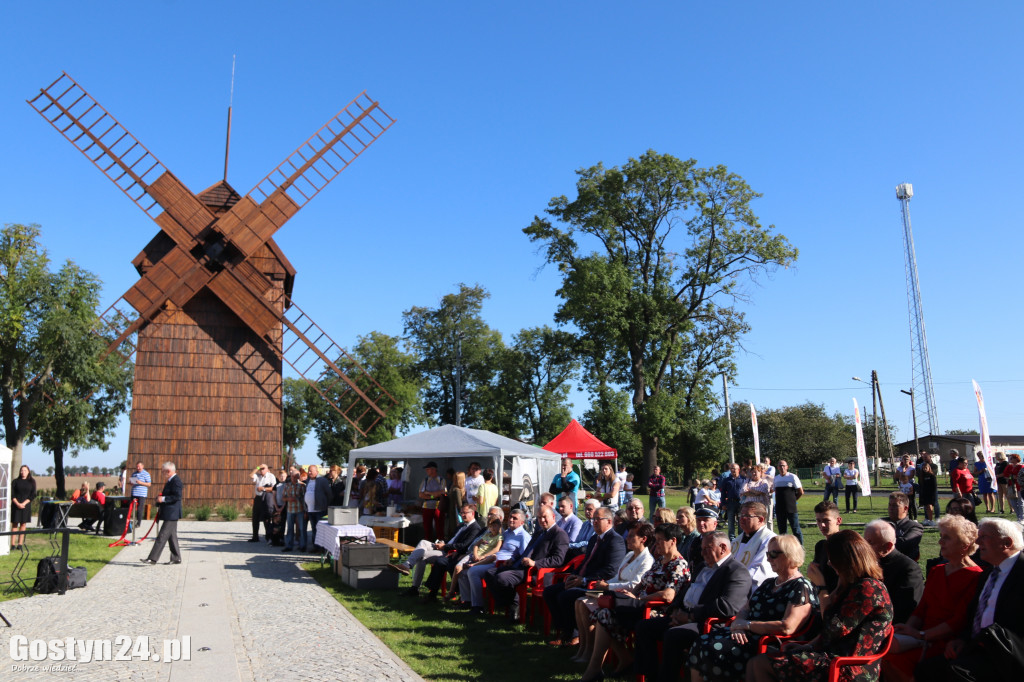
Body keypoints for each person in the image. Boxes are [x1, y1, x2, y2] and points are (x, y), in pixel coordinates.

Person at [748, 530, 893, 682]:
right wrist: (808, 646)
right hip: (831, 657)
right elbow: (828, 630)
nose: (829, 563)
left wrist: (821, 588)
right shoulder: (849, 585)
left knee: (760, 664)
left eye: (832, 559)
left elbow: (833, 628)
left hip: (848, 666)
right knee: (756, 663)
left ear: (845, 560)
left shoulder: (869, 588)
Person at [690, 535, 819, 682]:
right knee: (701, 642)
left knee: (714, 649)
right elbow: (745, 609)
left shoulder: (800, 586)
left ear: (791, 555)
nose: (769, 559)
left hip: (769, 640)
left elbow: (788, 627)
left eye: (773, 554)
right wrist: (738, 625)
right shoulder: (769, 583)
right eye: (767, 554)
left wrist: (748, 625)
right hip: (746, 634)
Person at [915, 518, 1024, 682]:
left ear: (1007, 543)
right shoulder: (988, 574)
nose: (978, 542)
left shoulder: (1020, 573)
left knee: (957, 672)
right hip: (977, 647)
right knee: (925, 669)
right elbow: (974, 614)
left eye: (984, 537)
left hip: (1007, 653)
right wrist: (963, 639)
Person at [636, 530, 752, 682]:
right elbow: (686, 590)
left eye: (706, 549)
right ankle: (650, 676)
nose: (702, 553)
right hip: (684, 616)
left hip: (706, 622)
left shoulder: (736, 571)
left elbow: (727, 606)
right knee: (644, 627)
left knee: (673, 635)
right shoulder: (702, 566)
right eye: (701, 549)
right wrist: (676, 611)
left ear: (723, 548)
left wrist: (690, 616)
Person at [579, 523, 690, 682]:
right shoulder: (658, 561)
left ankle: (599, 667)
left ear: (673, 541)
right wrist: (630, 594)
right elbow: (640, 584)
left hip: (655, 610)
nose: (656, 544)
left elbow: (668, 595)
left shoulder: (678, 565)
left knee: (604, 611)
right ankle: (596, 667)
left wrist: (638, 599)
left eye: (659, 540)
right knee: (602, 611)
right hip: (636, 603)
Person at [883, 514, 982, 682]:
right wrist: (907, 631)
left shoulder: (976, 576)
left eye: (947, 538)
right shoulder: (937, 571)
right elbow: (922, 608)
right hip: (920, 636)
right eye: (941, 537)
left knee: (897, 660)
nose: (940, 542)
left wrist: (921, 635)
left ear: (964, 545)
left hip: (946, 641)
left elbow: (958, 621)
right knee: (884, 653)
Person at [572, 523, 656, 664]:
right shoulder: (629, 555)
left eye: (631, 536)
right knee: (579, 601)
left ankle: (590, 650)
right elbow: (618, 576)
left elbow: (633, 585)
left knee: (585, 603)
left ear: (643, 539)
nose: (627, 539)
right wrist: (605, 584)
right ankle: (585, 646)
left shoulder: (647, 560)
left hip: (621, 596)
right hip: (611, 592)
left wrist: (608, 586)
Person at [543, 506, 626, 646]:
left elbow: (610, 570)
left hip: (598, 587)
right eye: (593, 519)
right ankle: (564, 630)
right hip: (582, 580)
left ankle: (575, 635)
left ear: (609, 521)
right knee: (550, 592)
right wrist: (574, 575)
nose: (594, 522)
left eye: (598, 519)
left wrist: (584, 580)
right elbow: (586, 562)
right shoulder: (594, 539)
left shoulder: (615, 541)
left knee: (566, 596)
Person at [486, 505, 568, 620]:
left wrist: (535, 563)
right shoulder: (539, 532)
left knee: (502, 578)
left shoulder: (559, 534)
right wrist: (513, 559)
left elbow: (558, 559)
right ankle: (511, 604)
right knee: (489, 573)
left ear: (553, 517)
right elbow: (526, 551)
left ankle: (515, 604)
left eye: (545, 517)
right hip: (520, 565)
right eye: (539, 518)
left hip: (535, 572)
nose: (542, 520)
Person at [398, 503, 485, 596]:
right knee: (423, 542)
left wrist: (444, 547)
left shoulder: (475, 528)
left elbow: (463, 546)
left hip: (450, 553)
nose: (462, 515)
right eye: (461, 513)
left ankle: (414, 587)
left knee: (421, 556)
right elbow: (453, 539)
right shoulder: (462, 525)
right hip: (445, 547)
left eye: (465, 513)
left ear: (472, 513)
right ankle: (407, 566)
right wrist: (442, 543)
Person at [423, 506, 500, 599]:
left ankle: (456, 593)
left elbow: (493, 549)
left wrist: (461, 552)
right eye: (488, 514)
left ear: (500, 518)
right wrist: (458, 551)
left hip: (477, 557)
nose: (489, 516)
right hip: (465, 553)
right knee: (441, 561)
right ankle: (433, 593)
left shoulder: (484, 530)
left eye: (492, 514)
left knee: (448, 564)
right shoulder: (484, 530)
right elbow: (473, 544)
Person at [464, 508, 531, 615]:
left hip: (501, 564)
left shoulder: (523, 536)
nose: (511, 520)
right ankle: (474, 603)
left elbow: (525, 555)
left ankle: (478, 606)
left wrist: (512, 560)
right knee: (468, 571)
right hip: (491, 560)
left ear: (522, 522)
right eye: (510, 517)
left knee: (473, 571)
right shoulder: (506, 532)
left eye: (515, 518)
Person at [864, 519, 923, 624]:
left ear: (888, 546)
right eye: (864, 541)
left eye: (871, 543)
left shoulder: (908, 568)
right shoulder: (866, 563)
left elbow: (905, 609)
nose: (865, 547)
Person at [141, 462, 183, 565]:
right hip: (169, 512)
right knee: (172, 536)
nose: (162, 473)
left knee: (162, 536)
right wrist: (159, 499)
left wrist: (163, 499)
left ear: (168, 471)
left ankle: (152, 558)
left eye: (163, 471)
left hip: (172, 514)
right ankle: (176, 558)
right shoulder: (170, 480)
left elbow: (177, 496)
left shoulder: (176, 481)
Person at [731, 502, 777, 594]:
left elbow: (758, 569)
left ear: (760, 519)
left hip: (753, 590)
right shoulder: (738, 539)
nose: (742, 518)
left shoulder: (770, 540)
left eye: (747, 516)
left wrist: (732, 581)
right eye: (741, 515)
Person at [807, 501, 841, 600]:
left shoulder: (845, 546)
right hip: (821, 597)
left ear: (838, 520)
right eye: (818, 521)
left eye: (826, 520)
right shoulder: (820, 546)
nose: (822, 525)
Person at [886, 491, 924, 561]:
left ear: (905, 508)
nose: (891, 508)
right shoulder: (881, 522)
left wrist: (878, 542)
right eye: (890, 505)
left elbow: (903, 544)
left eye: (895, 505)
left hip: (903, 565)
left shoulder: (915, 527)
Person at [772, 460, 803, 543]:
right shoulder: (776, 478)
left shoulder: (792, 477)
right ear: (777, 467)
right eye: (780, 466)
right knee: (782, 531)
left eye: (783, 465)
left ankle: (800, 547)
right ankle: (784, 548)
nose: (782, 467)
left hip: (791, 508)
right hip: (779, 508)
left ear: (787, 467)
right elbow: (773, 491)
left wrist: (793, 500)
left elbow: (800, 492)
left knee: (796, 529)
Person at [419, 461, 446, 542]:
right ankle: (427, 543)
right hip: (427, 506)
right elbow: (421, 494)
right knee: (427, 527)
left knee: (439, 527)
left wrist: (429, 493)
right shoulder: (425, 480)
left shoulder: (441, 480)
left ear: (433, 470)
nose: (426, 471)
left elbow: (443, 492)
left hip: (439, 506)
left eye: (428, 469)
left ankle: (441, 543)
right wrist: (432, 496)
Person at [304, 464, 330, 550]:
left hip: (320, 510)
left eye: (311, 471)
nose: (309, 472)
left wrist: (325, 505)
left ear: (317, 471)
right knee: (314, 529)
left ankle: (322, 548)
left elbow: (329, 494)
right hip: (310, 510)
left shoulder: (322, 480)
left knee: (320, 530)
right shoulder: (307, 481)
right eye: (308, 470)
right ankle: (316, 547)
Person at [249, 464, 276, 543]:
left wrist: (263, 488)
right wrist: (257, 467)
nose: (261, 470)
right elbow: (250, 475)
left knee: (266, 518)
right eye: (260, 469)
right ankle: (255, 536)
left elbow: (274, 488)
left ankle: (268, 536)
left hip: (266, 497)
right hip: (258, 497)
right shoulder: (258, 476)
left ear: (267, 469)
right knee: (255, 517)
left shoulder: (271, 476)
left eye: (263, 468)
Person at [281, 469, 307, 552]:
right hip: (290, 510)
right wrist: (289, 499)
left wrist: (306, 510)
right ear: (290, 476)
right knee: (290, 528)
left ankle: (302, 546)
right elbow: (283, 498)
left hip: (300, 509)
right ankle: (289, 545)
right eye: (293, 476)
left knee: (302, 529)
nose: (294, 478)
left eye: (296, 477)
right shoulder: (287, 485)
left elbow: (305, 499)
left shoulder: (302, 485)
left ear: (299, 477)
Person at [11, 465, 35, 550]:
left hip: (26, 505)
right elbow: (12, 494)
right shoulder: (15, 482)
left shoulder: (31, 482)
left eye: (25, 470)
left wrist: (24, 503)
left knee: (23, 524)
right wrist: (17, 504)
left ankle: (20, 544)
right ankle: (12, 544)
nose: (23, 472)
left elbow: (32, 495)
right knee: (15, 523)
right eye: (21, 470)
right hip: (16, 505)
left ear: (28, 471)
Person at [719, 463, 745, 539]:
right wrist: (723, 503)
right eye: (731, 468)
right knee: (730, 521)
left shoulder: (743, 479)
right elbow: (723, 492)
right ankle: (732, 538)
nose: (733, 470)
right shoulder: (727, 480)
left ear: (738, 470)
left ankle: (741, 537)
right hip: (730, 502)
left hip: (741, 503)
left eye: (734, 468)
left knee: (741, 521)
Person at [128, 460, 152, 525]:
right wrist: (131, 482)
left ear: (142, 466)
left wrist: (141, 482)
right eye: (137, 467)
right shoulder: (134, 473)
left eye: (139, 466)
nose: (138, 468)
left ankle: (138, 522)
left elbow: (149, 484)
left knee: (139, 508)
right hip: (134, 493)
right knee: (130, 507)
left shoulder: (146, 474)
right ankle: (128, 520)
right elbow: (132, 482)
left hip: (142, 494)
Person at [445, 471, 467, 539]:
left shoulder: (453, 488)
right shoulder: (457, 490)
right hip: (456, 515)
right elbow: (459, 505)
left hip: (453, 513)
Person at [1004, 453, 1024, 523]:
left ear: (1016, 459)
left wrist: (1012, 476)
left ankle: (1022, 517)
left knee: (1020, 502)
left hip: (1019, 486)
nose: (1010, 459)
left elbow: (1019, 476)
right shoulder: (1009, 466)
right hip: (1011, 485)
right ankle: (1018, 516)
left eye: (1011, 458)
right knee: (1013, 502)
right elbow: (1006, 475)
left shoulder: (1021, 466)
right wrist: (1011, 477)